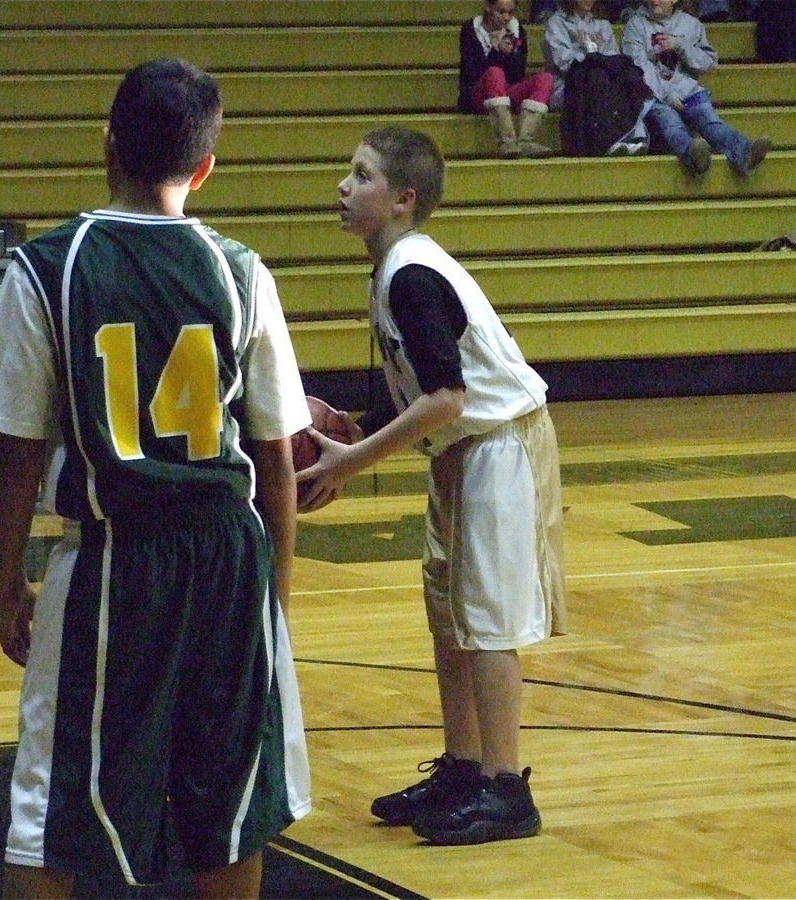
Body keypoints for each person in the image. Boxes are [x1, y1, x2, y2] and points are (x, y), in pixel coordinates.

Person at [0, 59, 312, 896]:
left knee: (49, 810)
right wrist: (280, 587)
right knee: (231, 801)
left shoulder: (47, 266)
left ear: (107, 143)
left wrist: (10, 578)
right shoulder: (242, 270)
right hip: (230, 558)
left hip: (114, 558)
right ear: (204, 169)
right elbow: (274, 453)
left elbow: (18, 447)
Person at [299, 126, 567, 844]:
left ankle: (507, 790)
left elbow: (447, 396)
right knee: (449, 615)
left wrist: (349, 463)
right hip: (463, 447)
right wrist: (351, 426)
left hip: (497, 441)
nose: (343, 186)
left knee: (486, 620)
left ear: (403, 199)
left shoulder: (412, 272)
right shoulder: (394, 266)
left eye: (360, 176)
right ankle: (463, 766)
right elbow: (421, 386)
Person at [621, 0, 771, 177]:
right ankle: (694, 157)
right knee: (671, 124)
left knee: (711, 122)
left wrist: (680, 46)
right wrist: (668, 95)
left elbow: (708, 62)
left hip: (690, 92)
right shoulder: (635, 25)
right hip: (655, 95)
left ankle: (745, 154)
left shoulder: (692, 25)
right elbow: (638, 69)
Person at [543, 0, 653, 155]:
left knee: (627, 77)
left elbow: (613, 60)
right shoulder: (556, 23)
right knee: (596, 76)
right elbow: (564, 62)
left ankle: (633, 136)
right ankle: (611, 140)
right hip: (568, 86)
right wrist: (591, 55)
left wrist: (596, 59)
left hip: (603, 84)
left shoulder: (603, 25)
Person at [458, 0, 555, 158]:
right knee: (495, 73)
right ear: (488, 8)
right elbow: (472, 72)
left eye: (510, 12)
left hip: (506, 92)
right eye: (501, 11)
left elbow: (518, 75)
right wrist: (494, 51)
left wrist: (509, 54)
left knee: (545, 78)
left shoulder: (517, 31)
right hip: (478, 93)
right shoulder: (470, 29)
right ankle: (506, 140)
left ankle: (526, 140)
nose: (506, 17)